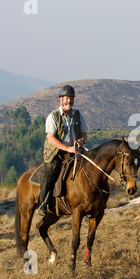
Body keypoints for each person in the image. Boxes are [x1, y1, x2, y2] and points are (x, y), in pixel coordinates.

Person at [37, 84, 88, 216]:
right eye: (66, 98)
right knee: (51, 171)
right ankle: (43, 203)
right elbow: (51, 138)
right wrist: (67, 148)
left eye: (71, 98)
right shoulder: (53, 116)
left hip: (75, 151)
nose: (69, 101)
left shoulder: (77, 115)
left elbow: (84, 133)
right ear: (60, 100)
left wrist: (81, 141)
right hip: (56, 153)